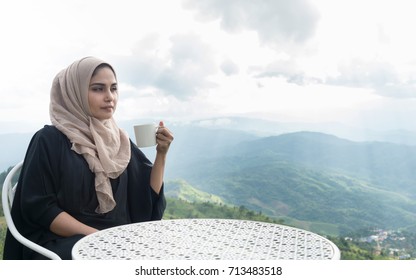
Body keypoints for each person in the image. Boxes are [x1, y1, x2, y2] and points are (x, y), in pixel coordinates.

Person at [3, 56, 174, 260]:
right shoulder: (49, 140)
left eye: (113, 88)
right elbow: (41, 209)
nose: (110, 97)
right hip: (60, 243)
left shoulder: (118, 141)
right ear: (74, 92)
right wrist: (96, 237)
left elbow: (145, 200)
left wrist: (161, 154)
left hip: (115, 240)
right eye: (98, 88)